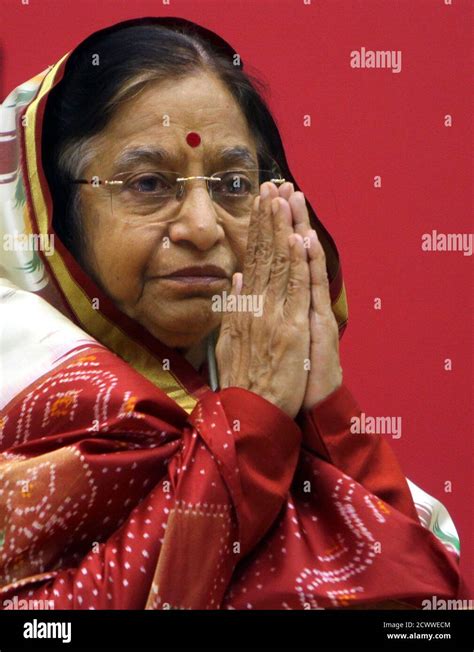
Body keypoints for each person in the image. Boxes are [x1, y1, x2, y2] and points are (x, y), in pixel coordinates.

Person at [0, 17, 463, 610]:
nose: (201, 225)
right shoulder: (22, 412)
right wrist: (248, 429)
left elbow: (428, 613)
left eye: (233, 183)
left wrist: (328, 423)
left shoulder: (288, 406)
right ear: (49, 211)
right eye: (148, 183)